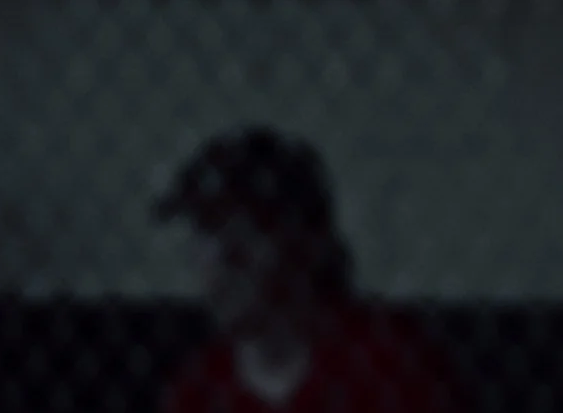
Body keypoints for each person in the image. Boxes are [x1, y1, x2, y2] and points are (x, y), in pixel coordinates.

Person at [154, 127, 461, 413]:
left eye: (251, 228)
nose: (222, 256)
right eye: (206, 230)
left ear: (310, 243)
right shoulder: (200, 389)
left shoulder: (386, 365)